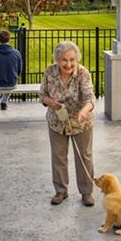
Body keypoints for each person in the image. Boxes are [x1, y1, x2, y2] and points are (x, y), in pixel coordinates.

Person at [39, 41, 96, 207]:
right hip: (56, 121)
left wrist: (84, 111)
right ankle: (61, 191)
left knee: (84, 156)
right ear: (57, 60)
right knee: (58, 156)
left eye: (72, 60)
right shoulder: (50, 72)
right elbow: (42, 94)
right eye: (64, 60)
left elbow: (90, 98)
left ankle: (86, 192)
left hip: (80, 122)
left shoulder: (83, 73)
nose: (68, 64)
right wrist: (51, 102)